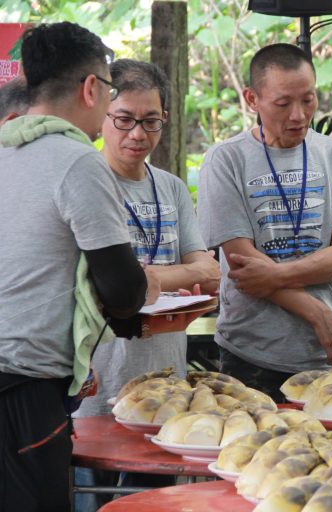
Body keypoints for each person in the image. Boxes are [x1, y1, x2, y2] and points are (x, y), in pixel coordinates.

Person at [0, 22, 148, 511]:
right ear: (91, 88)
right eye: (109, 91)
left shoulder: (4, 148)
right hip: (24, 389)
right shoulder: (77, 161)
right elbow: (124, 288)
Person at [73, 59, 220, 511]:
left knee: (151, 502)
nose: (138, 134)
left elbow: (210, 270)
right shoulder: (81, 183)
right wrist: (175, 275)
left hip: (164, 387)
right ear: (103, 116)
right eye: (125, 120)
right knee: (90, 498)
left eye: (150, 121)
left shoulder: (171, 188)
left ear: (165, 119)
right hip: (97, 383)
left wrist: (149, 279)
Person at [197, 43, 332, 402]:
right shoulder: (226, 160)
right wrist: (320, 314)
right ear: (252, 98)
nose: (298, 115)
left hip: (328, 357)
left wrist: (274, 275)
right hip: (252, 353)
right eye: (283, 103)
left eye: (308, 99)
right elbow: (243, 266)